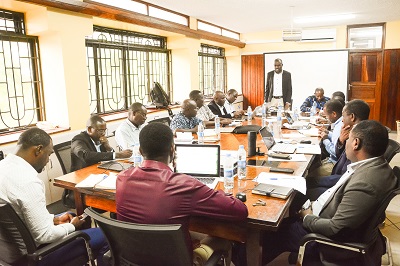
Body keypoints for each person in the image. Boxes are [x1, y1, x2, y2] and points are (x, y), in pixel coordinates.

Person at [263, 120, 396, 265]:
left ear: (356, 143)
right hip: (327, 217)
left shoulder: (365, 183)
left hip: (326, 240)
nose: (345, 142)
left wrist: (307, 217)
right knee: (287, 211)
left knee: (273, 231)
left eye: (348, 139)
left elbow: (335, 229)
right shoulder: (375, 165)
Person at [116, 123, 248, 265]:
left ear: (141, 151)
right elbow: (240, 211)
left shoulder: (122, 178)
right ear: (173, 150)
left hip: (134, 258)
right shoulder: (184, 184)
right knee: (224, 237)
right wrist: (218, 192)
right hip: (176, 260)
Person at [0, 128, 108, 265]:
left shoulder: (3, 167)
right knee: (106, 236)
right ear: (38, 150)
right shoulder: (28, 181)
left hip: (7, 254)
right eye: (49, 154)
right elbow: (44, 235)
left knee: (68, 214)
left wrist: (54, 220)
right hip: (34, 256)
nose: (47, 161)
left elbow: (19, 216)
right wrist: (72, 227)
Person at [306, 99, 370, 200]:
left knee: (301, 191)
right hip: (339, 177)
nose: (342, 120)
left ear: (352, 117)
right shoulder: (355, 131)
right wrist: (340, 141)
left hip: (340, 187)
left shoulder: (357, 138)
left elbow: (345, 176)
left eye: (344, 116)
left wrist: (316, 181)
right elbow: (342, 155)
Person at [306, 100, 344, 177]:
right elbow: (336, 138)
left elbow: (336, 152)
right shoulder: (339, 123)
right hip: (333, 160)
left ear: (334, 114)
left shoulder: (340, 126)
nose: (326, 118)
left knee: (307, 176)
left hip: (335, 163)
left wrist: (325, 140)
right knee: (311, 167)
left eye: (326, 116)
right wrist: (327, 133)